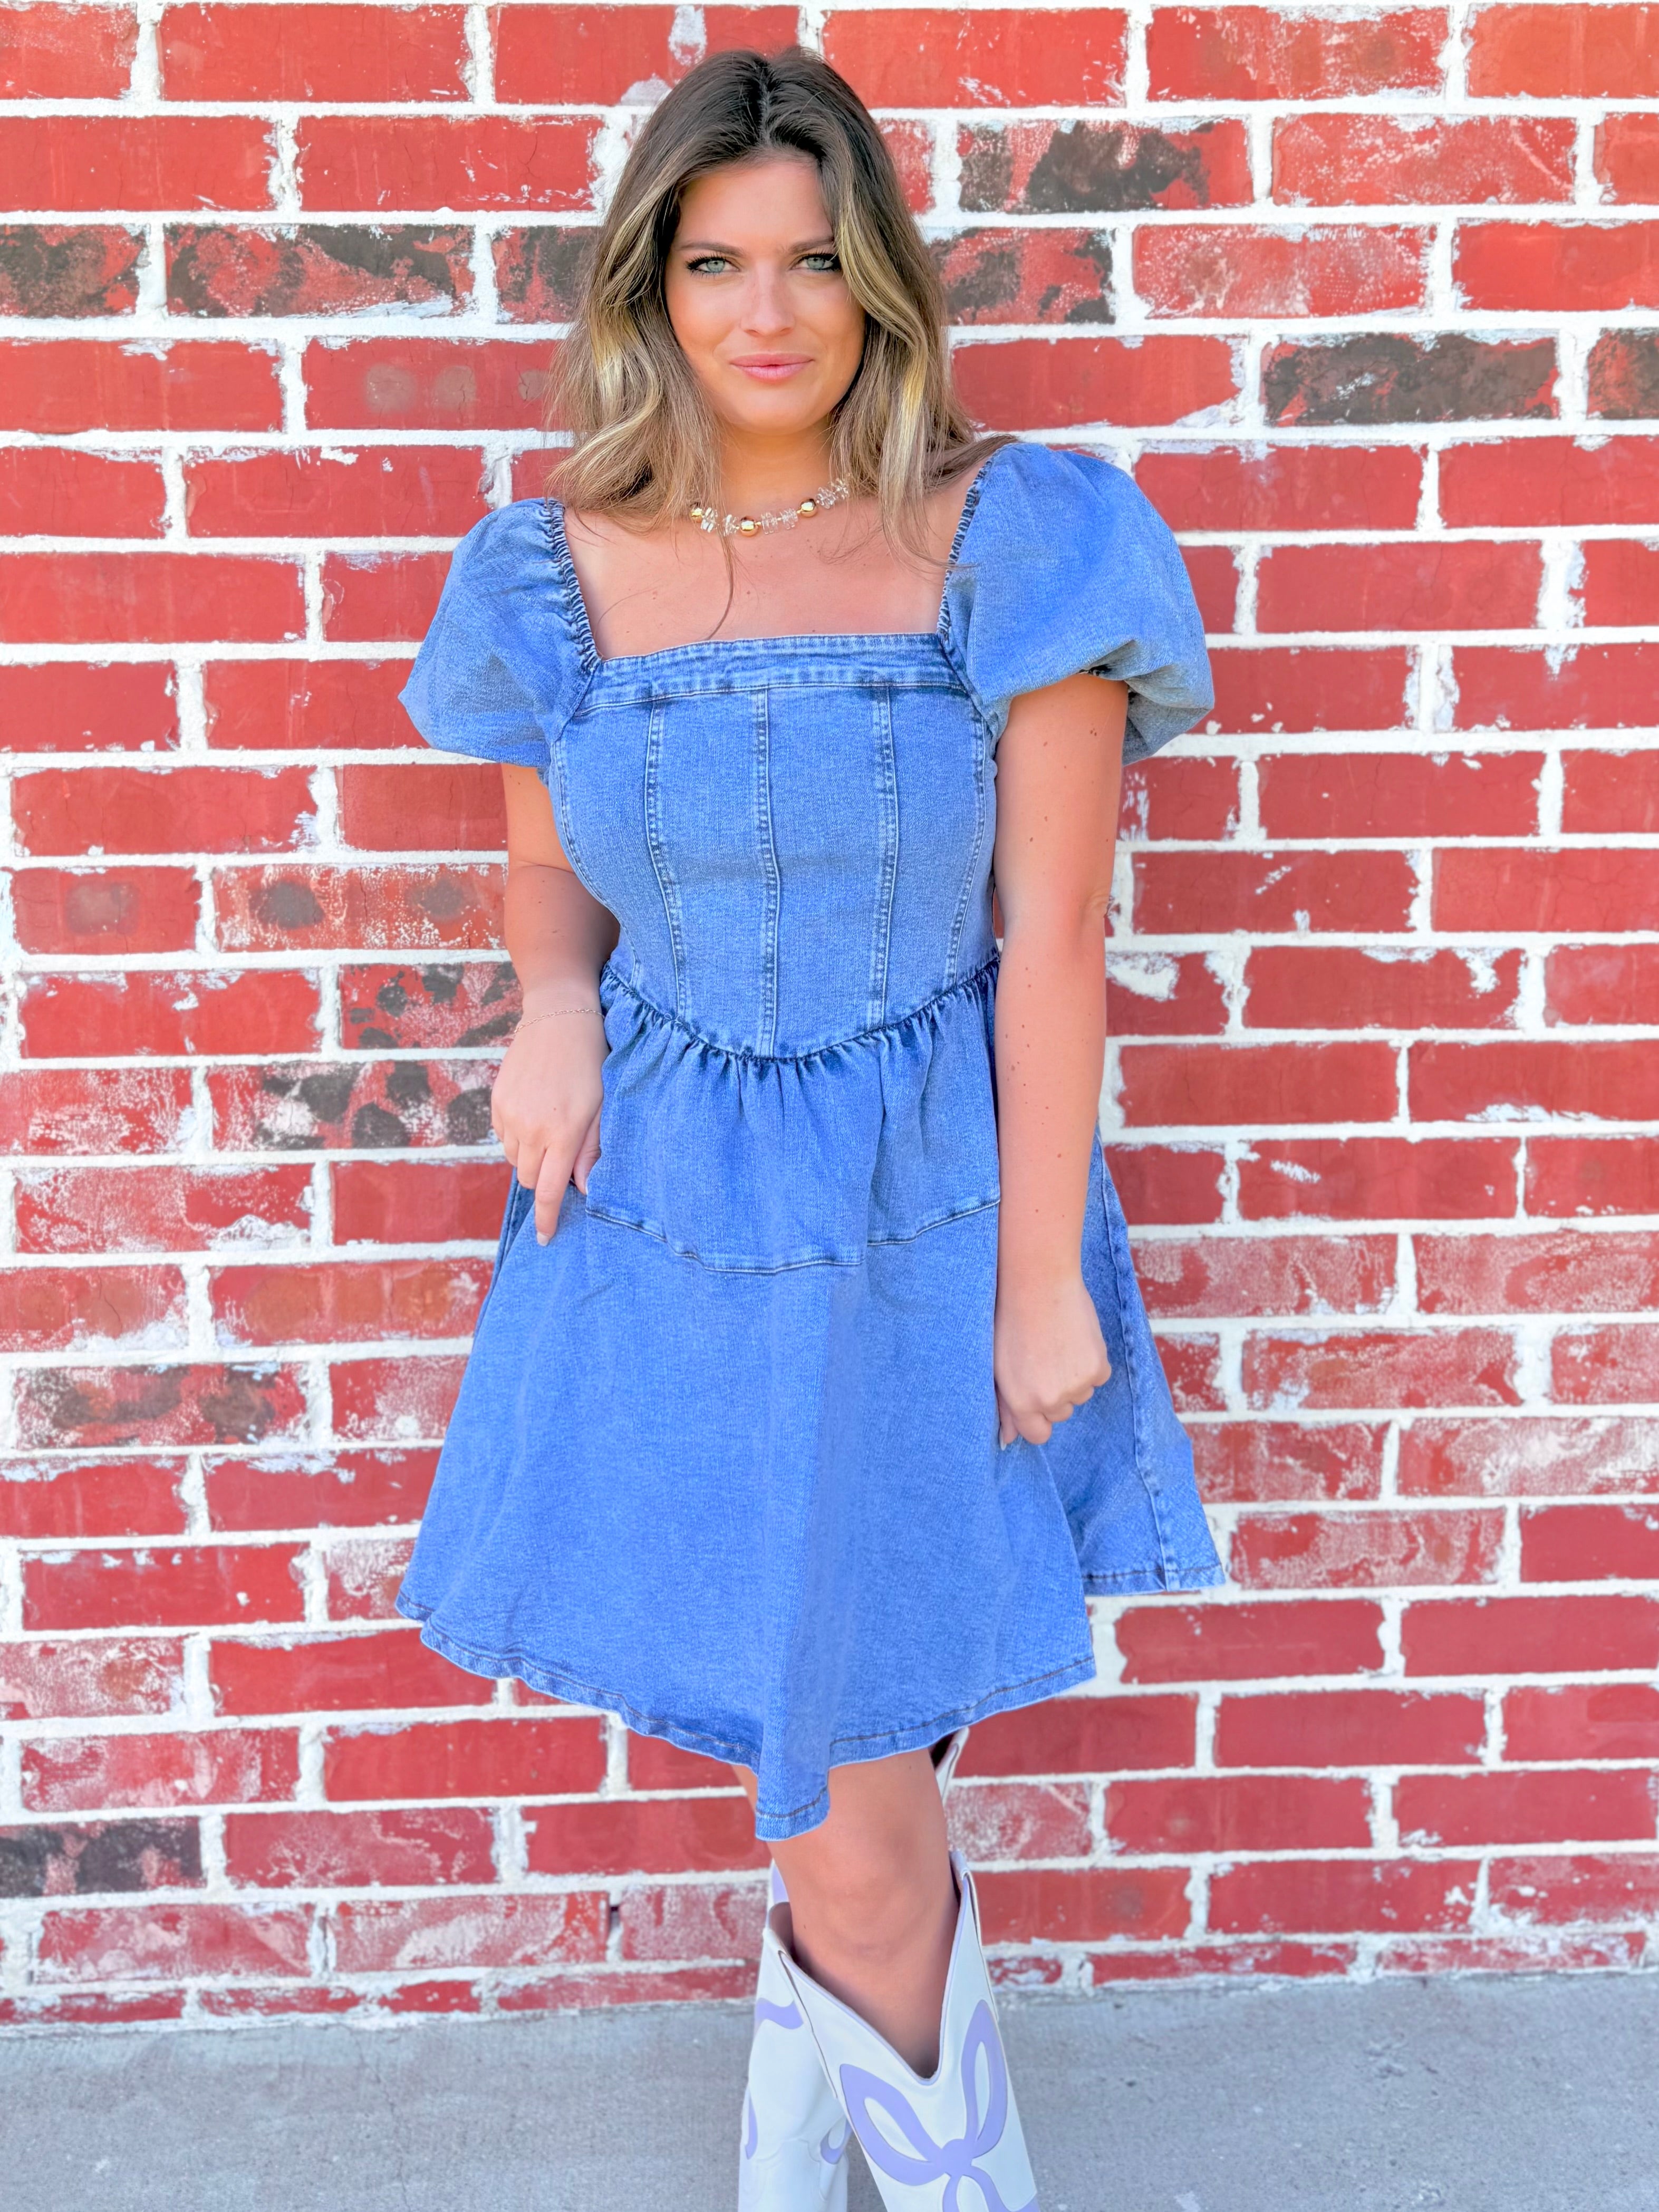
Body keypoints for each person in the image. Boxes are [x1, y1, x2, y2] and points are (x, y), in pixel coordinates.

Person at [394, 44, 1224, 2210]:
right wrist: (551, 1006)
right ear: (647, 288)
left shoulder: (1014, 538)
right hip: (667, 1220)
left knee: (853, 1784)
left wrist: (1038, 1283)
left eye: (812, 260)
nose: (765, 312)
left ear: (880, 281)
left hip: (931, 1212)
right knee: (832, 1771)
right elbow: (544, 867)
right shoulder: (547, 570)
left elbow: (1053, 941)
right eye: (713, 264)